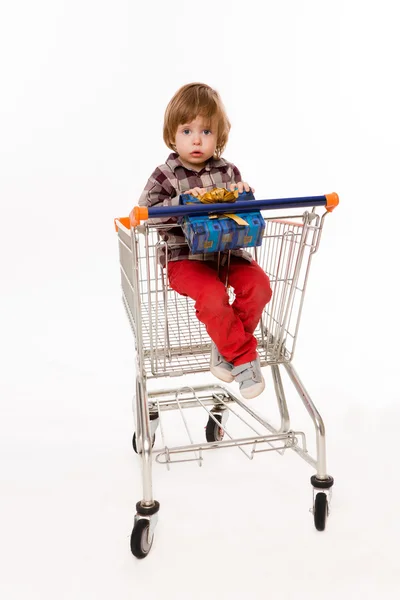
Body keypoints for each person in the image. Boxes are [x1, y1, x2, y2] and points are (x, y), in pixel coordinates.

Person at [130, 83, 272, 399]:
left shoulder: (229, 170)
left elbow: (243, 216)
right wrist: (181, 202)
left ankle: (225, 347)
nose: (197, 139)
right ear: (172, 134)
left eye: (206, 131)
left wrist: (243, 195)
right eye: (187, 130)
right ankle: (244, 356)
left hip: (229, 253)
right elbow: (145, 213)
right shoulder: (165, 175)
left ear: (218, 137)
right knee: (212, 294)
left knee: (260, 286)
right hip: (185, 259)